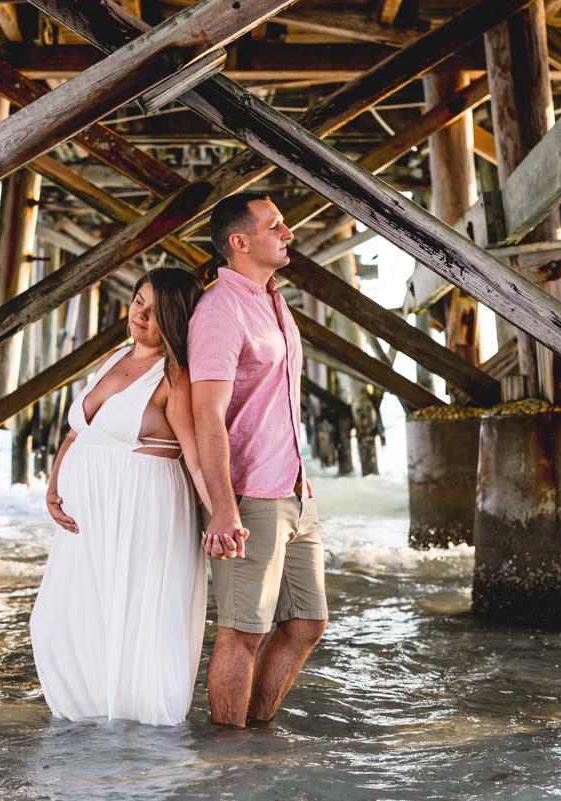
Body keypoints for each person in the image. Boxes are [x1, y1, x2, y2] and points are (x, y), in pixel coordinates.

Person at [30, 268, 211, 727]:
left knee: (139, 622)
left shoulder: (175, 376)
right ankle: (90, 728)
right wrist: (54, 485)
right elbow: (79, 431)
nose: (140, 315)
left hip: (144, 511)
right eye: (137, 301)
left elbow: (194, 458)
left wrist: (224, 517)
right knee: (57, 624)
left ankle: (143, 745)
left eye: (154, 310)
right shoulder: (113, 356)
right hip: (85, 518)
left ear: (176, 317)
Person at [188, 192, 329, 728]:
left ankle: (254, 732)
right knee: (243, 632)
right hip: (250, 497)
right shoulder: (219, 312)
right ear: (240, 242)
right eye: (276, 225)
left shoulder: (272, 299)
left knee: (306, 623)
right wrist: (224, 510)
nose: (288, 232)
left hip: (295, 490)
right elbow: (207, 416)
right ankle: (229, 759)